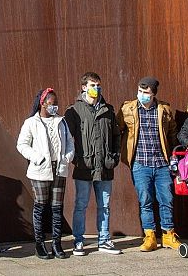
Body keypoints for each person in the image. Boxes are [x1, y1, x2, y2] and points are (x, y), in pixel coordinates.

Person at [118, 76, 181, 252]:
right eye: (140, 91)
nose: (142, 95)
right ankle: (150, 236)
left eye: (146, 93)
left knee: (166, 199)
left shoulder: (164, 110)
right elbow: (118, 130)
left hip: (162, 164)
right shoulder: (127, 109)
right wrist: (122, 154)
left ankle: (168, 235)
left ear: (154, 94)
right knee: (145, 201)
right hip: (140, 163)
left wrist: (174, 156)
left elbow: (172, 133)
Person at [64, 72, 123, 256]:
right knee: (81, 205)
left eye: (98, 85)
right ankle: (78, 241)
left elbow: (116, 136)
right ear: (83, 87)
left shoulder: (108, 110)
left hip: (104, 167)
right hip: (84, 167)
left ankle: (104, 240)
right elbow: (66, 138)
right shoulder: (74, 110)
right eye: (92, 85)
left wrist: (114, 157)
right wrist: (75, 158)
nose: (96, 88)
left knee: (104, 205)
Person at [17, 88, 75, 260]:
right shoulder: (31, 123)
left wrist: (67, 158)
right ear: (42, 103)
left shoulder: (61, 121)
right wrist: (37, 158)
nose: (54, 107)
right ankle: (40, 244)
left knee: (57, 208)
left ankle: (57, 243)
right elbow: (22, 144)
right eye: (51, 104)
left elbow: (70, 143)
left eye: (56, 104)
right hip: (40, 170)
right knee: (41, 206)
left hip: (59, 169)